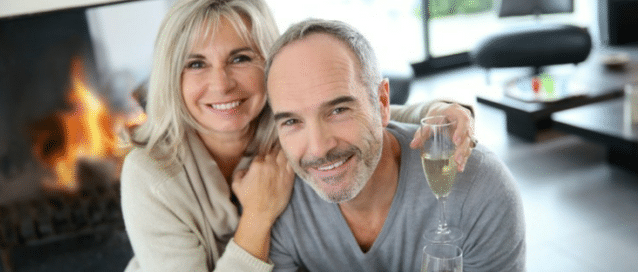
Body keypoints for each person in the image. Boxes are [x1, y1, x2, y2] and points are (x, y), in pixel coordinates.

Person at [120, 0, 477, 271]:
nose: (221, 84)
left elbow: (361, 115)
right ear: (173, 76)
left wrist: (438, 112)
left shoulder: (285, 129)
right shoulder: (150, 175)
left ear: (269, 66)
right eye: (196, 64)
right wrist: (257, 216)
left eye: (241, 58)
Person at [265, 19, 526, 271]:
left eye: (338, 110)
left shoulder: (478, 189)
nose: (318, 149)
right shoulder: (275, 201)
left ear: (382, 102)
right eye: (291, 121)